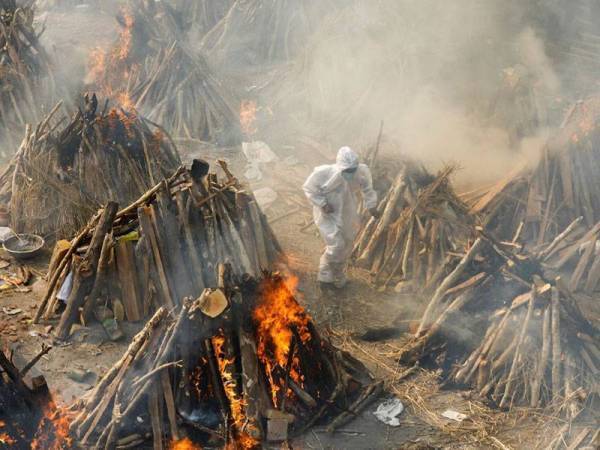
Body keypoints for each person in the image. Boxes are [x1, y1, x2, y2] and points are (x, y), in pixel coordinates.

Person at [303, 146, 378, 289]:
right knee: (336, 245)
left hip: (348, 211)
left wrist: (371, 205)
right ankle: (324, 277)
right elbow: (308, 188)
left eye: (352, 170)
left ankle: (338, 274)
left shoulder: (362, 171)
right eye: (346, 170)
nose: (350, 173)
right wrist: (322, 204)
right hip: (327, 213)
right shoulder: (323, 172)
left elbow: (368, 189)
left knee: (348, 243)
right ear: (340, 167)